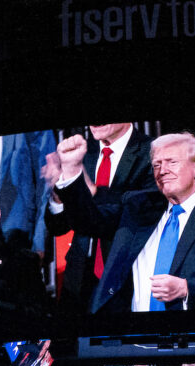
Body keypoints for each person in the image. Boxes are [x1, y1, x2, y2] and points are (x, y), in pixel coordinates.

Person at [48, 132, 195, 315]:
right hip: (131, 336)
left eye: (172, 162)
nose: (162, 171)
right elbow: (88, 222)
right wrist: (72, 170)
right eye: (156, 165)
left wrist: (188, 288)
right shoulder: (138, 205)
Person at [45, 123, 156, 312]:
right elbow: (58, 226)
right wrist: (58, 193)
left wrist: (86, 187)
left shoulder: (153, 151)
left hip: (125, 277)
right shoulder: (82, 151)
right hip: (79, 277)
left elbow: (135, 212)